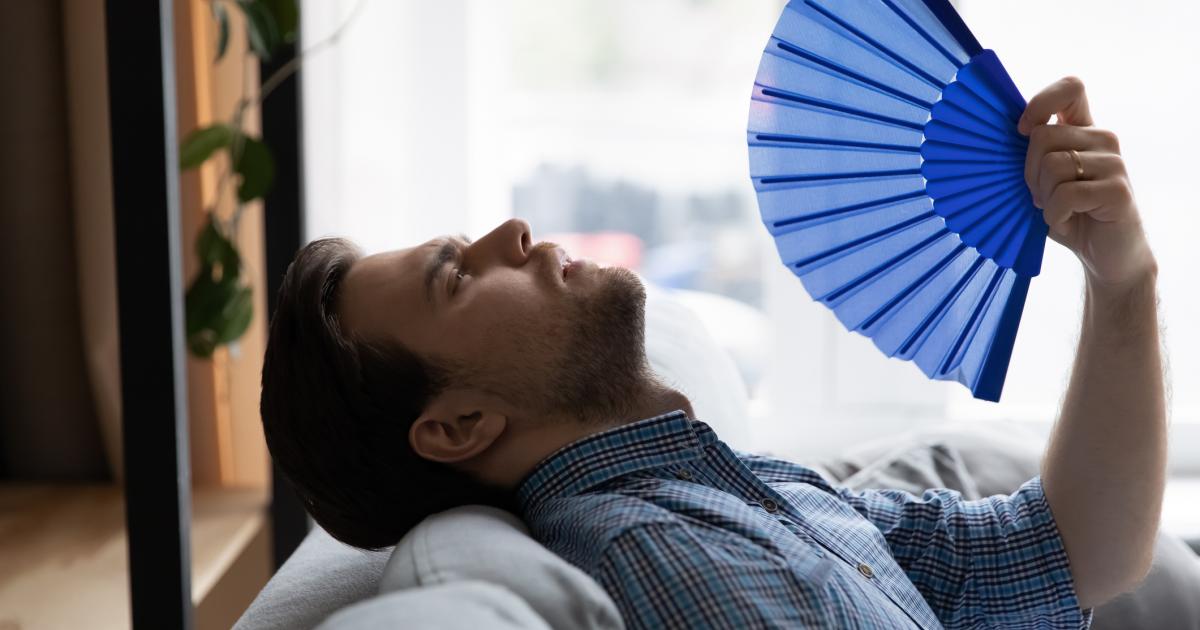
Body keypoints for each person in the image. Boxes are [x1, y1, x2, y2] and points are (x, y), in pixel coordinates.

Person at [260, 77, 1165, 629]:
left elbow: (1065, 552)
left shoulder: (731, 485)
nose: (513, 231)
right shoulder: (658, 556)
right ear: (459, 425)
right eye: (457, 276)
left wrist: (1120, 277)